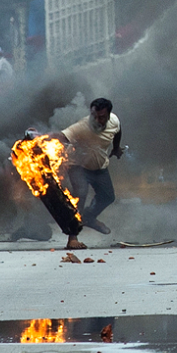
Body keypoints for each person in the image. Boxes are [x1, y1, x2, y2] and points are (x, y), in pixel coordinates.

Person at [56, 98, 123, 249]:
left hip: (99, 167)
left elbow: (118, 131)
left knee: (108, 196)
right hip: (78, 165)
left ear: (108, 116)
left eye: (101, 118)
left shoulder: (114, 121)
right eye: (94, 116)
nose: (97, 121)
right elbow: (62, 136)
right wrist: (42, 138)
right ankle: (72, 238)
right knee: (80, 195)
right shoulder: (82, 126)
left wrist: (116, 148)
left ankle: (89, 217)